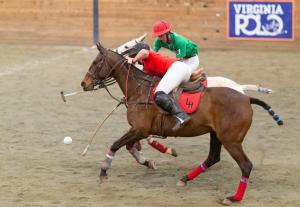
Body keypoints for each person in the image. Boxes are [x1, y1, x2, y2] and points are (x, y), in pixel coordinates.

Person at [127, 42, 192, 131]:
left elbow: (144, 52)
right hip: (182, 70)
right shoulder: (147, 67)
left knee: (159, 94)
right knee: (158, 92)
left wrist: (133, 60)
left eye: (136, 55)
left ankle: (182, 116)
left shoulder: (148, 55)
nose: (138, 60)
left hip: (178, 68)